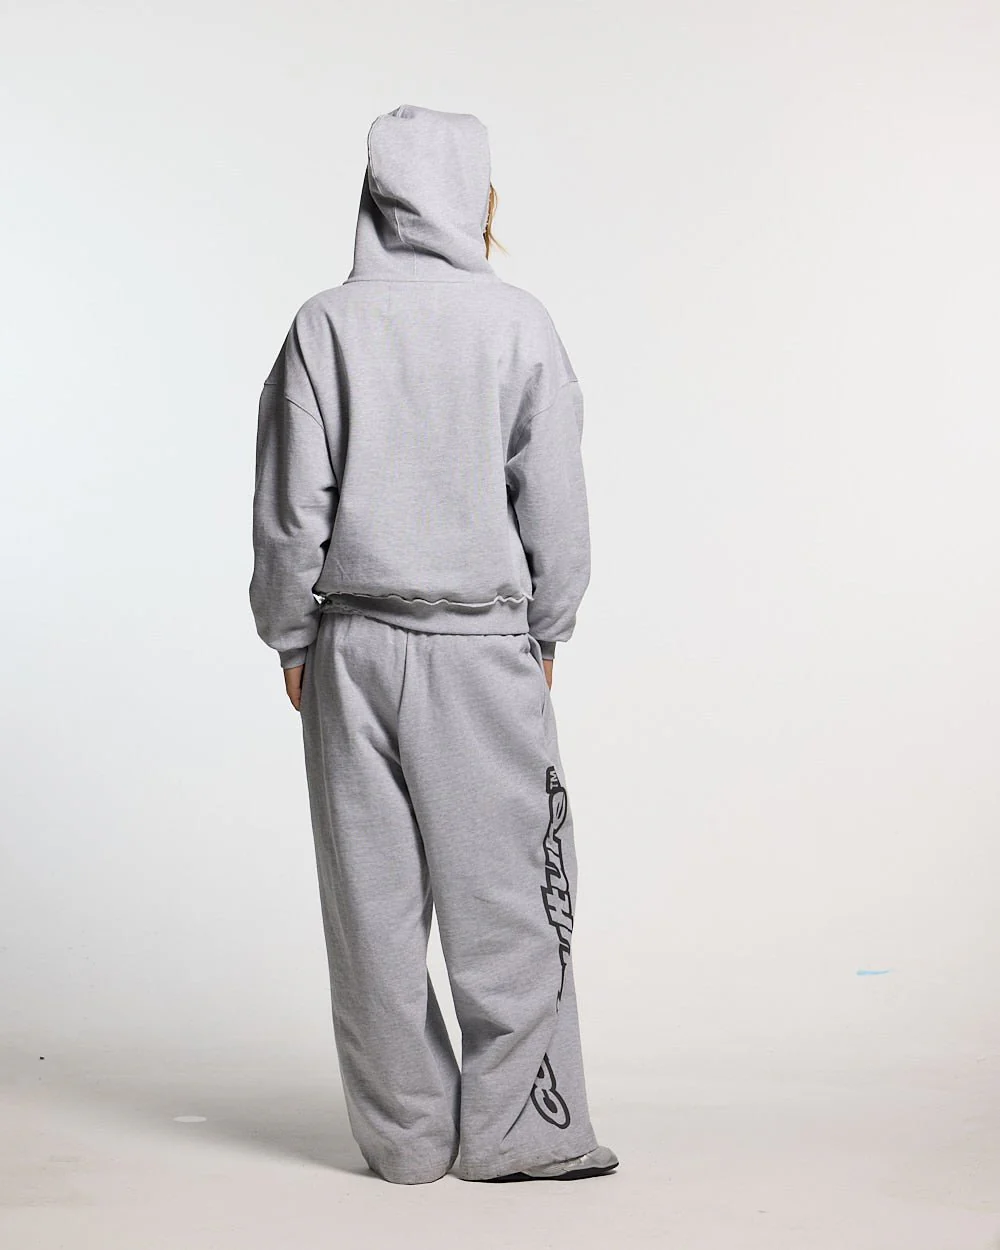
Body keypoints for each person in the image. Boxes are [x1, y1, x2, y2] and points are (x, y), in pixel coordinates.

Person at [249, 103, 618, 1186]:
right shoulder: (517, 325)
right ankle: (521, 1132)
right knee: (510, 900)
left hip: (352, 647)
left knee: (370, 908)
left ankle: (406, 1141)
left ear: (374, 200)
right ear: (476, 199)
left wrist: (291, 637)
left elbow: (289, 508)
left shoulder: (324, 325)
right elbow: (556, 503)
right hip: (478, 645)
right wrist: (548, 626)